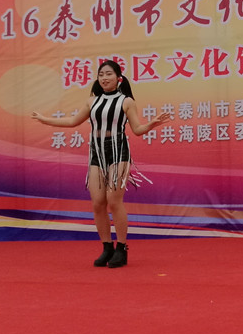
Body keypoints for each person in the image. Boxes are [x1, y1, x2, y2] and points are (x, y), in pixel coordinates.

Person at [30, 59, 166, 268]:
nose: (104, 78)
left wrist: (152, 124)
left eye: (109, 74)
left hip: (119, 150)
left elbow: (137, 130)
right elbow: (72, 121)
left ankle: (121, 248)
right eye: (101, 74)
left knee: (114, 201)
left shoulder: (126, 101)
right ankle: (107, 247)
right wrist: (45, 119)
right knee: (97, 203)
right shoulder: (92, 101)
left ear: (118, 78)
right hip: (96, 152)